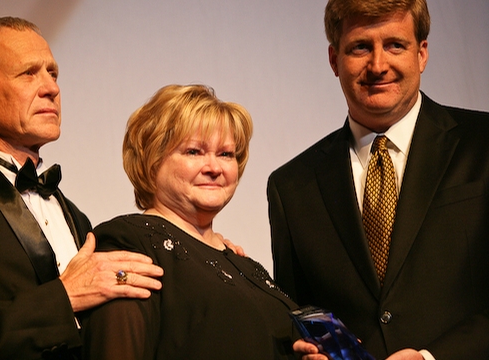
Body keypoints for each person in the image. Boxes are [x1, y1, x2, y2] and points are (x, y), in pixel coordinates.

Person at [0, 17, 165, 359]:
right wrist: (63, 297)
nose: (51, 87)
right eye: (28, 73)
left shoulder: (76, 216)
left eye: (52, 73)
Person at [267, 0, 489, 359]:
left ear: (422, 54)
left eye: (395, 45)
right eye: (360, 47)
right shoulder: (291, 186)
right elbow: (298, 322)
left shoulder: (483, 144)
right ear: (334, 60)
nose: (378, 65)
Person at [80, 84, 299, 359]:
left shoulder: (245, 264)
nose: (214, 168)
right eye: (194, 152)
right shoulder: (129, 244)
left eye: (225, 154)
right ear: (153, 160)